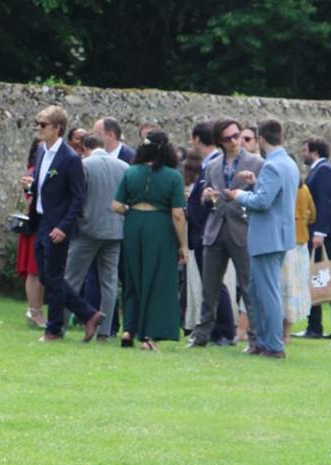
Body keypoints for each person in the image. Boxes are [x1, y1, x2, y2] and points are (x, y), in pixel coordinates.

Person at [26, 105, 104, 343]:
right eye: (38, 124)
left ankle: (54, 328)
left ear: (57, 128)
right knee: (47, 276)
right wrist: (29, 187)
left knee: (54, 274)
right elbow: (43, 189)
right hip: (41, 221)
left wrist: (64, 226)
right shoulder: (41, 152)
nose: (39, 129)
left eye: (43, 125)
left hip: (57, 225)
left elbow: (79, 197)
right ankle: (88, 314)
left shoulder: (69, 158)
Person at [186, 119, 264, 348]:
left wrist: (254, 184)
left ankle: (255, 339)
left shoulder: (257, 163)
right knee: (209, 288)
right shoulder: (212, 165)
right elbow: (206, 199)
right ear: (219, 141)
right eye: (228, 138)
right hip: (215, 229)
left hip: (242, 229)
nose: (234, 141)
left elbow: (264, 195)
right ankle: (201, 336)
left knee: (248, 288)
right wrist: (206, 197)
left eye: (236, 136)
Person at [225, 119, 299, 358]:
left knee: (267, 293)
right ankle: (265, 341)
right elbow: (275, 196)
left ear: (262, 140)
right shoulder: (288, 163)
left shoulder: (272, 166)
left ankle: (274, 345)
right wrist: (256, 185)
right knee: (258, 290)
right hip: (279, 236)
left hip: (267, 238)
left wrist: (239, 195)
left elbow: (262, 202)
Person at [110, 131, 187, 350]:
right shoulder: (173, 177)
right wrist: (183, 244)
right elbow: (178, 214)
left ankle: (128, 329)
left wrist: (130, 210)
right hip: (160, 227)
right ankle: (150, 336)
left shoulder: (131, 172)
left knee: (133, 278)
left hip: (133, 224)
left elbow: (115, 205)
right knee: (157, 281)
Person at [64, 133, 126, 334]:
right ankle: (105, 331)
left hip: (88, 230)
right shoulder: (123, 167)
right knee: (109, 283)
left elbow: (77, 197)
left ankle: (60, 324)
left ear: (83, 148)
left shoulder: (84, 165)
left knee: (72, 279)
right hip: (115, 231)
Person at [186, 120, 235, 342]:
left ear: (198, 139)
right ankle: (214, 329)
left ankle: (224, 330)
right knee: (210, 284)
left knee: (215, 283)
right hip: (202, 231)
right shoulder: (209, 163)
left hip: (209, 230)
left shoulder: (215, 163)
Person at [297, 137, 331, 339]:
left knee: (325, 278)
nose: (302, 153)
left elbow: (325, 202)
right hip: (320, 233)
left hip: (323, 235)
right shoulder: (319, 170)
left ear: (314, 151)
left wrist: (319, 233)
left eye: (305, 149)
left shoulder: (323, 171)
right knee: (317, 278)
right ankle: (316, 325)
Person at [280, 179, 316, 343]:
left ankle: (281, 332)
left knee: (283, 287)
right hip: (301, 242)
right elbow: (313, 214)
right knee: (295, 288)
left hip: (283, 241)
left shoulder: (282, 188)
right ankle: (287, 333)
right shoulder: (305, 189)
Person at [16, 137, 45, 327]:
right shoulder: (33, 172)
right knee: (34, 270)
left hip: (40, 224)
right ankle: (33, 310)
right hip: (35, 224)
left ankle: (36, 309)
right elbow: (30, 198)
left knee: (39, 271)